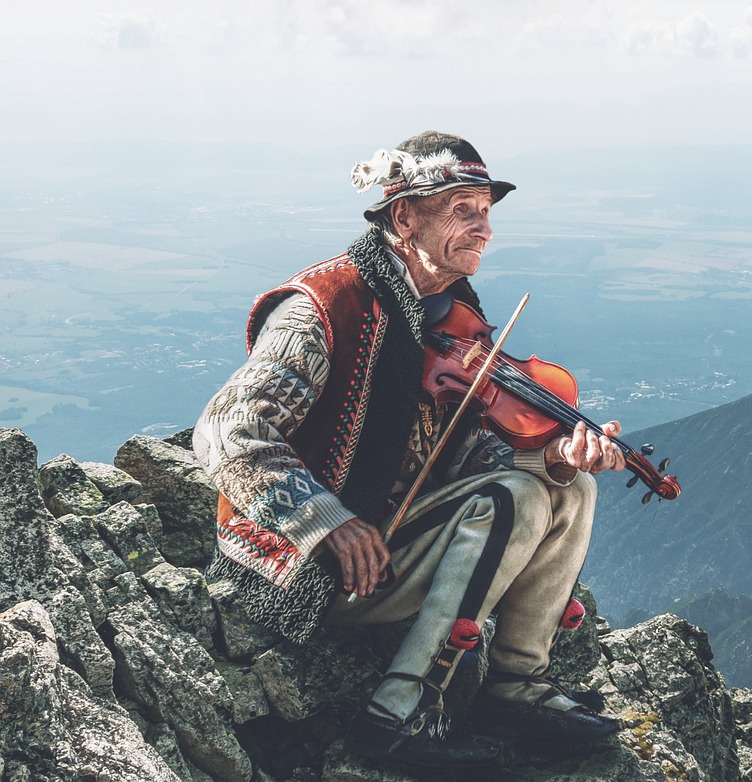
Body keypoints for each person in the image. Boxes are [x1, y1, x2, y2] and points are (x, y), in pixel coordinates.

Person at [194, 131, 623, 772]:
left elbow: (461, 452)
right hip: (294, 562)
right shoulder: (323, 308)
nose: (483, 228)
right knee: (514, 498)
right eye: (462, 209)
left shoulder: (449, 311)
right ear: (403, 216)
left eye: (486, 210)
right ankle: (398, 715)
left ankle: (516, 689)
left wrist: (560, 455)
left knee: (565, 486)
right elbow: (227, 433)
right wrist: (327, 522)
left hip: (399, 533)